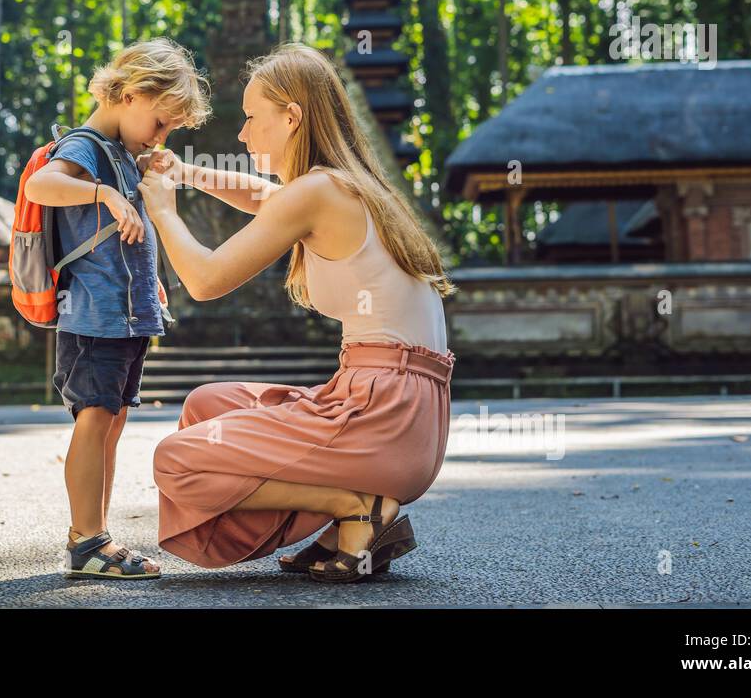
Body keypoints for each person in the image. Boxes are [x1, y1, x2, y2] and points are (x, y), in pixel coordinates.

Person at [137, 42, 456, 583]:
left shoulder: (318, 191)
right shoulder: (346, 186)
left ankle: (354, 508)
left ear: (291, 117)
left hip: (384, 413)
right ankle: (354, 512)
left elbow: (206, 279)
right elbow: (264, 198)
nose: (241, 134)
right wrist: (187, 172)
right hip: (400, 409)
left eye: (251, 118)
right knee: (206, 406)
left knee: (176, 461)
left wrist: (163, 209)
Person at [23, 38, 211, 578]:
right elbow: (42, 184)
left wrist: (151, 280)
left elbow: (131, 233)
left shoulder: (121, 155)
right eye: (159, 121)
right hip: (93, 316)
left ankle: (95, 535)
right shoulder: (84, 147)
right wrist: (105, 194)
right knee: (95, 418)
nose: (161, 135)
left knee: (112, 419)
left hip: (126, 315)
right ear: (129, 94)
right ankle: (86, 540)